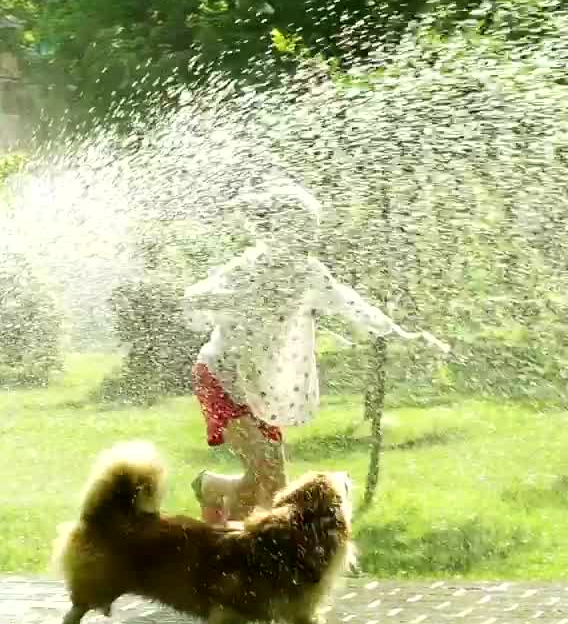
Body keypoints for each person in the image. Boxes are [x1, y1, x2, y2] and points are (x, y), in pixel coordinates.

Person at [183, 184, 449, 524]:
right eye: (300, 228)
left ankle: (212, 488)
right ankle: (223, 560)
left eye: (311, 229)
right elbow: (195, 301)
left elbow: (351, 305)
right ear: (275, 229)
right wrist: (213, 299)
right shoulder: (245, 269)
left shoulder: (309, 273)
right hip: (221, 376)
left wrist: (401, 334)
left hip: (260, 389)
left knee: (274, 486)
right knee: (261, 468)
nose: (307, 237)